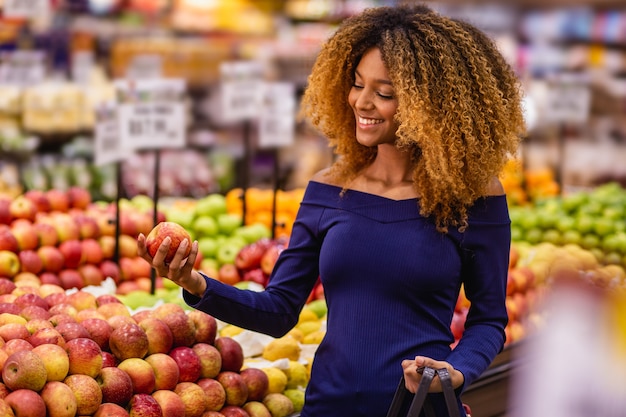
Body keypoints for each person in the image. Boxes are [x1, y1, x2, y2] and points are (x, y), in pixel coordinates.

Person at [138, 3, 525, 417]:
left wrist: (455, 371)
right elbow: (279, 310)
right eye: (357, 84)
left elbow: (488, 320)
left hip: (418, 408)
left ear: (433, 106)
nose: (363, 102)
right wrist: (196, 284)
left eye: (385, 93)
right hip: (327, 406)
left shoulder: (473, 197)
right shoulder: (329, 189)